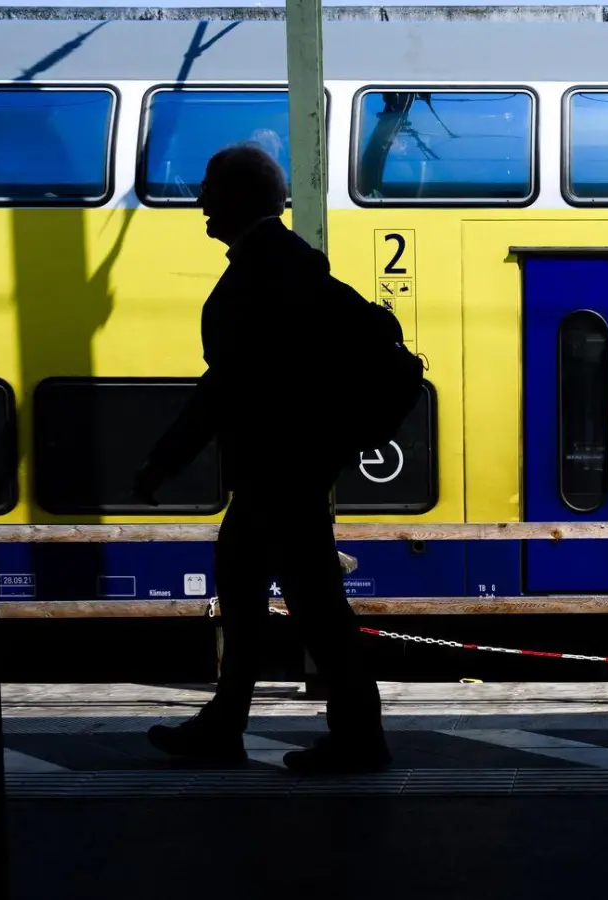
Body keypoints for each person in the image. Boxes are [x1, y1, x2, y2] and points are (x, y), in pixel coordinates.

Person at [134, 143, 390, 775]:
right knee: (271, 599)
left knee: (306, 605)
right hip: (287, 471)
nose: (200, 201)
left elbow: (225, 386)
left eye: (211, 190)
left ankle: (350, 736)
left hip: (278, 473)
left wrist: (164, 461)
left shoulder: (263, 272)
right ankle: (241, 724)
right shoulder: (285, 263)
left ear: (242, 198)